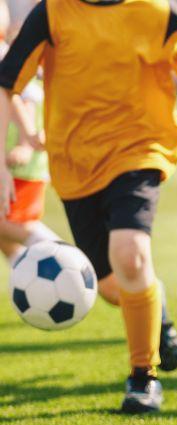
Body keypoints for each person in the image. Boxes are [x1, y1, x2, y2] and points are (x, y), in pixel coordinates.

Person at [0, 0, 177, 413]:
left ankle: (143, 377)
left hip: (140, 149)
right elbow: (6, 82)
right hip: (76, 163)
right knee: (114, 286)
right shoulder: (53, 13)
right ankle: (159, 310)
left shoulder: (155, 11)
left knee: (131, 254)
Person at [0, 0, 60, 265]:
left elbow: (25, 95)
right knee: (5, 231)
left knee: (12, 224)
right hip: (12, 161)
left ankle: (62, 253)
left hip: (21, 164)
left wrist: (26, 140)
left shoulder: (4, 53)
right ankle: (24, 268)